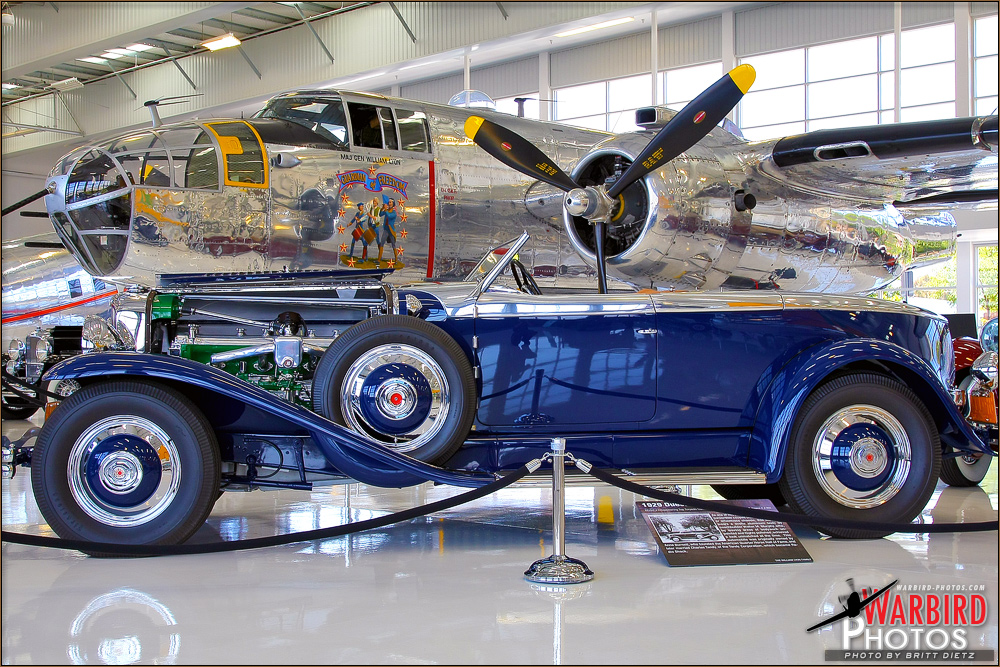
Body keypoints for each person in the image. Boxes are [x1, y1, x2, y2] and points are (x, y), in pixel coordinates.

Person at [378, 198, 398, 262]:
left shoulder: (394, 212)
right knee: (382, 243)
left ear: (393, 204)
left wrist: (386, 209)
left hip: (391, 230)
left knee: (393, 244)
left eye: (390, 202)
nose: (389, 204)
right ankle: (379, 259)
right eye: (389, 202)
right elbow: (380, 214)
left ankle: (396, 259)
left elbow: (389, 216)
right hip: (386, 229)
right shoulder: (387, 211)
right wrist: (382, 208)